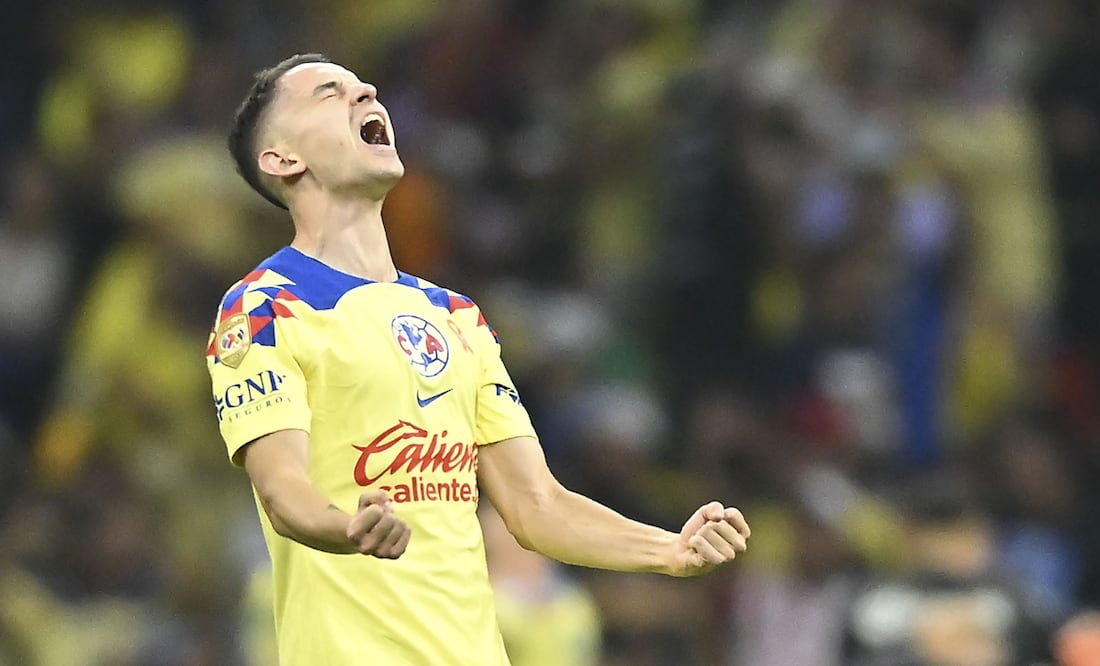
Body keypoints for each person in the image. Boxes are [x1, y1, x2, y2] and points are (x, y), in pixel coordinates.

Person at [206, 52, 751, 665]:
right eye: (331, 93)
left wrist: (667, 550)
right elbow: (284, 490)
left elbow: (535, 505)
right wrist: (345, 528)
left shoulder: (457, 316)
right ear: (282, 159)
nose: (367, 94)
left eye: (364, 87)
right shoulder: (264, 306)